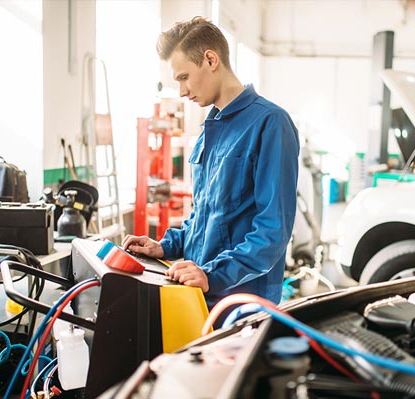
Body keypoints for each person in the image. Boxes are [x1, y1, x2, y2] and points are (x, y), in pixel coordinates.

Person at [122, 16, 300, 309]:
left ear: (210, 59)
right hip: (200, 293)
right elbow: (205, 216)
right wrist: (164, 246)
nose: (181, 91)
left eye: (183, 77)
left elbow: (273, 231)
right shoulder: (210, 128)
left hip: (242, 302)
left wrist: (213, 273)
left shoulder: (270, 123)